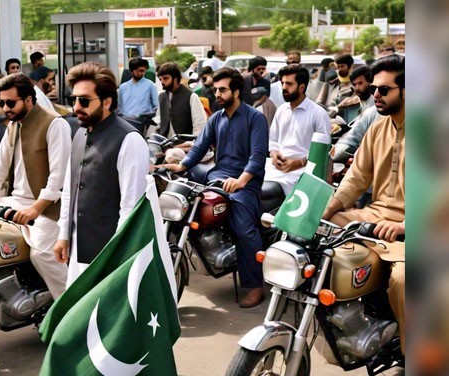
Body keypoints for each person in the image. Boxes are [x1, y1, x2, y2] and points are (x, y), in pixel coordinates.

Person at [159, 67, 269, 308]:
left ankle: (255, 286)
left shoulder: (255, 118)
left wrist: (241, 180)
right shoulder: (216, 118)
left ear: (236, 92)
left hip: (244, 183)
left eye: (222, 90)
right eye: (216, 89)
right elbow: (200, 147)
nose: (217, 94)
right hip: (217, 177)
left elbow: (258, 156)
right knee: (182, 191)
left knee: (244, 230)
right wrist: (182, 165)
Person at [322, 55, 405, 351]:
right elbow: (355, 178)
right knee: (318, 235)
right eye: (374, 89)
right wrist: (325, 210)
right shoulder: (377, 129)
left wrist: (404, 225)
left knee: (404, 280)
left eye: (384, 90)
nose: (376, 95)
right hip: (376, 215)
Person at [0, 73, 71, 299]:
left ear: (28, 100)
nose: (5, 108)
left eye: (10, 103)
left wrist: (35, 209)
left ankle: (72, 308)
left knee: (42, 255)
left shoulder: (55, 124)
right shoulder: (13, 126)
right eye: (1, 103)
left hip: (48, 209)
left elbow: (58, 178)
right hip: (16, 202)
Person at [54, 62, 150, 284]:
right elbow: (69, 191)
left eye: (84, 100)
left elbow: (131, 206)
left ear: (107, 101)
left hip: (109, 253)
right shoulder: (79, 134)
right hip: (78, 249)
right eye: (74, 100)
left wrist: (117, 254)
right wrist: (63, 235)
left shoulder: (129, 139)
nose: (76, 107)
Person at [264, 65, 331, 197]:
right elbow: (273, 140)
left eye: (289, 84)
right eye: (282, 83)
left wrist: (299, 162)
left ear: (301, 87)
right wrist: (274, 154)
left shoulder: (318, 113)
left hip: (304, 169)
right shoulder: (281, 110)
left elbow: (322, 151)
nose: (284, 87)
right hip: (277, 167)